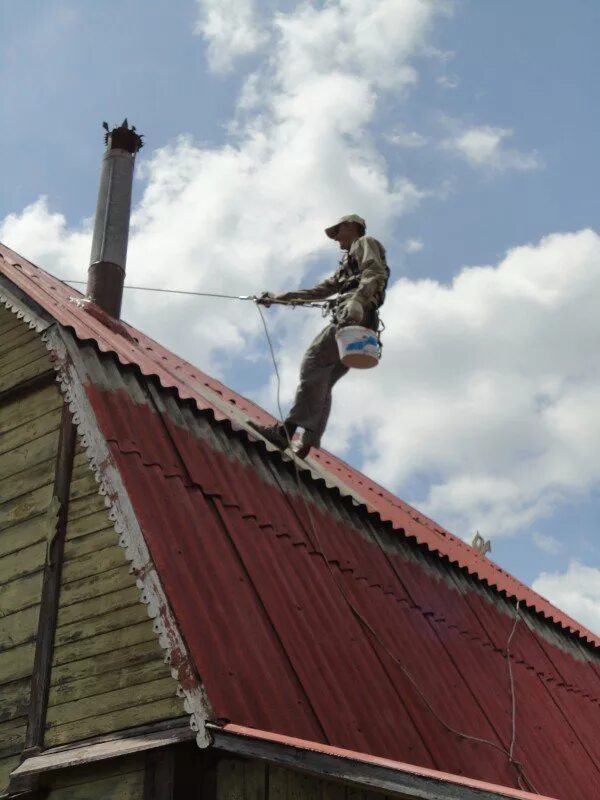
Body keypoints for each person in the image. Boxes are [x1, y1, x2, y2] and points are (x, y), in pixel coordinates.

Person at [251, 214, 389, 459]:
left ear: (350, 227)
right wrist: (278, 297)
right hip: (363, 321)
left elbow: (375, 272)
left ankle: (286, 432)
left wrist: (357, 300)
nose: (336, 240)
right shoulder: (348, 262)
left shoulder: (364, 243)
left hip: (354, 315)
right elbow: (321, 290)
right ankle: (307, 440)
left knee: (314, 362)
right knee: (324, 378)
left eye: (338, 233)